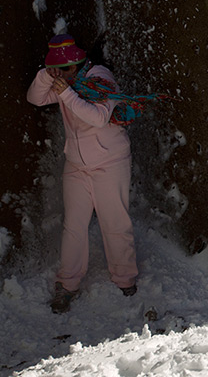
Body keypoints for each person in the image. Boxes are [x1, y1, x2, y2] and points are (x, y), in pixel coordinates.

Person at [27, 34, 139, 314]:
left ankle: (125, 278)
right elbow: (36, 98)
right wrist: (46, 75)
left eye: (64, 68)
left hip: (110, 161)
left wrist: (65, 91)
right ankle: (67, 285)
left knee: (114, 221)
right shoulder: (63, 78)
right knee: (73, 226)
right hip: (76, 164)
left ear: (78, 63)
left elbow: (99, 117)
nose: (60, 74)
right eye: (56, 68)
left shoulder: (101, 77)